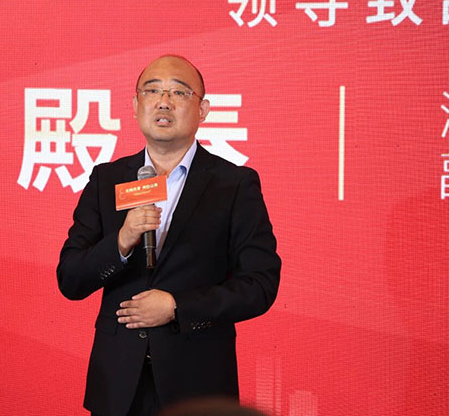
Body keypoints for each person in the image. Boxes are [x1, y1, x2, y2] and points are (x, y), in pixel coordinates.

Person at [57, 55, 281, 416]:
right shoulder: (106, 179)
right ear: (135, 105)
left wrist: (177, 306)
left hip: (198, 385)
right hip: (117, 387)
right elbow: (70, 279)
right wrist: (121, 242)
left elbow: (260, 285)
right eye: (152, 91)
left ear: (202, 109)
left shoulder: (234, 185)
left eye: (178, 92)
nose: (163, 101)